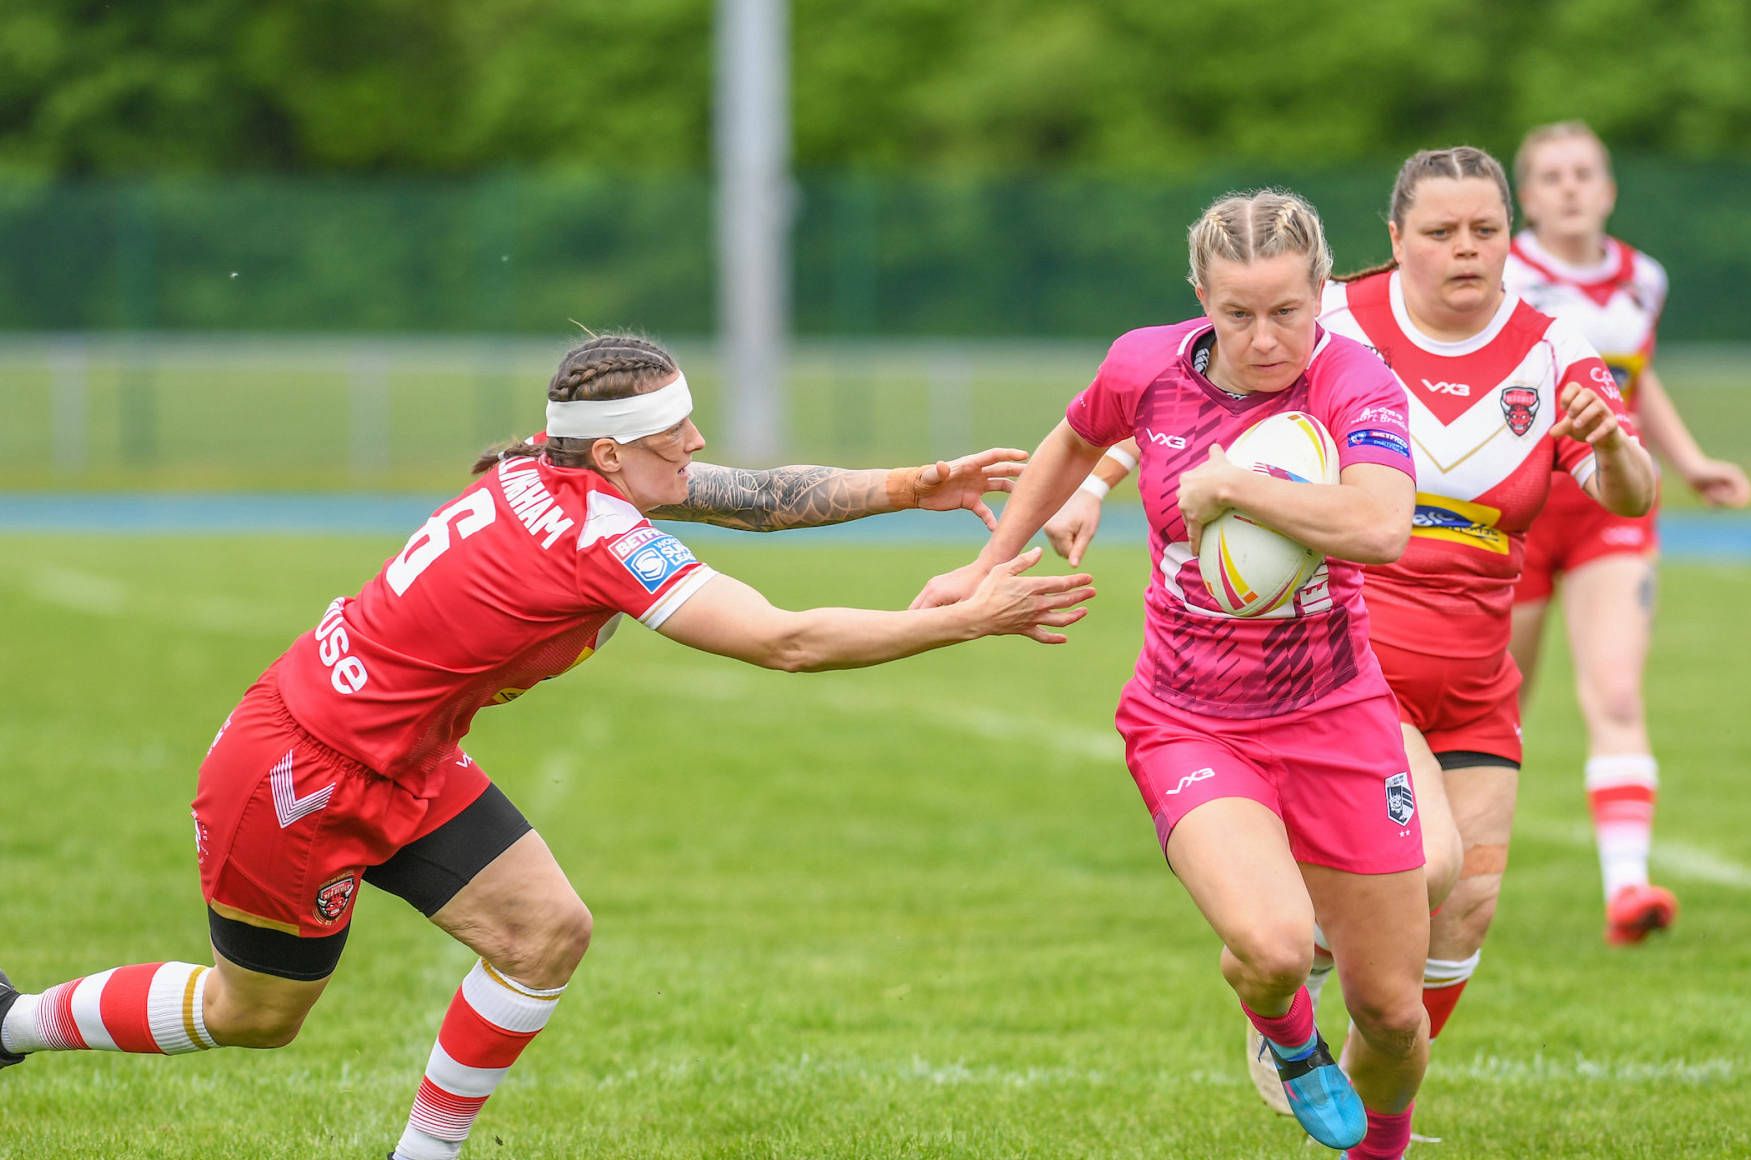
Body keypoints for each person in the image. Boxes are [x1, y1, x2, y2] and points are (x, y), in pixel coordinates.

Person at [0, 334, 1095, 1160]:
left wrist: (916, 484)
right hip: (292, 774)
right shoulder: (595, 530)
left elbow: (746, 496)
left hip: (399, 754)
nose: (701, 446)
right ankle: (13, 1020)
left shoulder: (551, 468)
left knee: (544, 931)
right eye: (680, 433)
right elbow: (786, 640)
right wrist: (965, 617)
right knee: (258, 1018)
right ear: (614, 452)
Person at [1048, 150, 1659, 1133]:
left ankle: (1376, 1125)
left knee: (1460, 915)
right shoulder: (1323, 316)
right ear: (1393, 238)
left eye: (1483, 229)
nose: (1463, 248)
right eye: (1438, 230)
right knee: (1426, 864)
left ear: (1511, 234)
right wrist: (1093, 479)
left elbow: (1624, 497)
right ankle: (1304, 967)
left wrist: (1621, 446)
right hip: (1354, 656)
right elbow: (1174, 386)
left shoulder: (1553, 352)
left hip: (1472, 671)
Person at [915, 189, 1429, 1160]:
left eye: (1285, 309)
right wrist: (985, 564)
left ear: (1321, 290)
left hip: (1336, 711)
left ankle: (1379, 1146)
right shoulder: (1144, 363)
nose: (1263, 336)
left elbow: (1382, 527)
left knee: (1393, 1008)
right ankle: (1288, 1037)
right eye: (1236, 313)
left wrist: (1236, 484)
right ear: (1200, 295)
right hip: (1188, 717)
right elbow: (1074, 434)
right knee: (1272, 947)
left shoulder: (1352, 381)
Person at [1505, 121, 1751, 945]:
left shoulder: (1643, 277)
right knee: (1493, 708)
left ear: (1607, 189)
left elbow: (1634, 385)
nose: (1569, 187)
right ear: (1527, 197)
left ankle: (1627, 890)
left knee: (1613, 691)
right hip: (1511, 514)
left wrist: (1688, 462)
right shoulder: (1497, 275)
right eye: (1551, 176)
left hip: (1612, 504)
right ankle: (1440, 877)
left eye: (1584, 173)